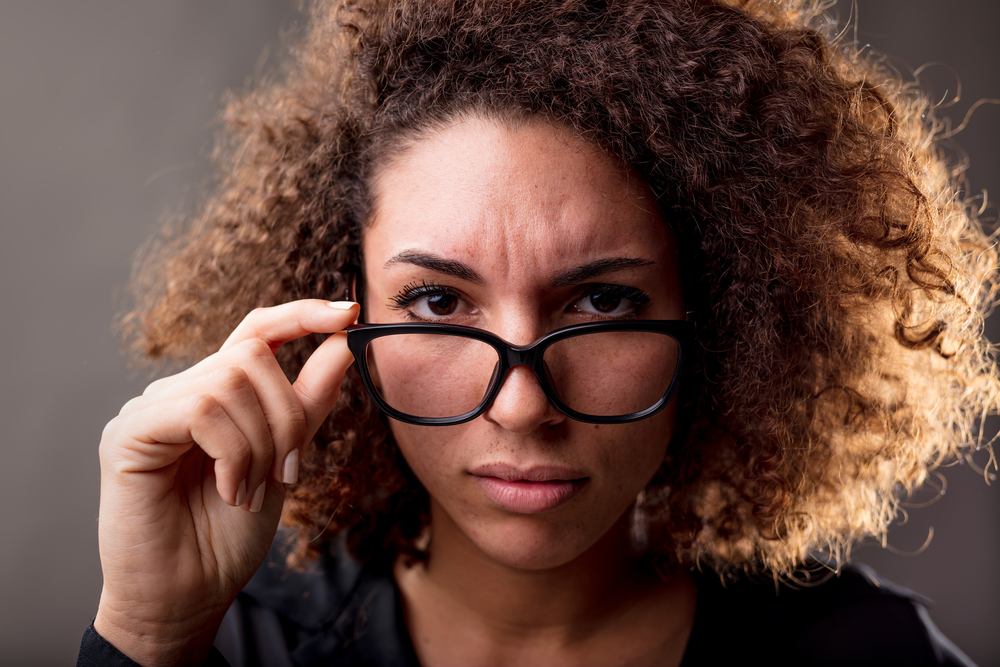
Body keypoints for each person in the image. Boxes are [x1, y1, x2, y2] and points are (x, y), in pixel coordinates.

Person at [79, 0, 997, 665]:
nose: (522, 407)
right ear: (336, 305)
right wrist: (150, 636)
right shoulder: (227, 641)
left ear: (719, 321)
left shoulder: (864, 656)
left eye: (601, 302)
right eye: (439, 302)